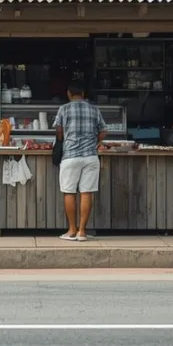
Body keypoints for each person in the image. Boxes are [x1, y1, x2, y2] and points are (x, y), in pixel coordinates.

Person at [54, 83, 107, 241]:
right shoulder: (94, 109)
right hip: (90, 156)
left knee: (69, 192)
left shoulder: (64, 109)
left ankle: (71, 230)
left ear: (69, 93)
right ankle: (82, 232)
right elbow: (104, 131)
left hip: (70, 155)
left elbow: (59, 132)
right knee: (86, 192)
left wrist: (62, 140)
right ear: (83, 93)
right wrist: (95, 143)